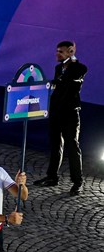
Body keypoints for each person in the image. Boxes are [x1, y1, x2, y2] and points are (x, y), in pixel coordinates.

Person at [35, 41, 87, 196]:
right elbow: (58, 86)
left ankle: (77, 182)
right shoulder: (58, 68)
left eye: (61, 52)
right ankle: (52, 177)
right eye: (57, 51)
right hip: (56, 111)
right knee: (55, 145)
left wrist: (60, 77)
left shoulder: (79, 68)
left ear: (71, 51)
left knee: (72, 146)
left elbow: (70, 78)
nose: (57, 54)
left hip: (70, 113)